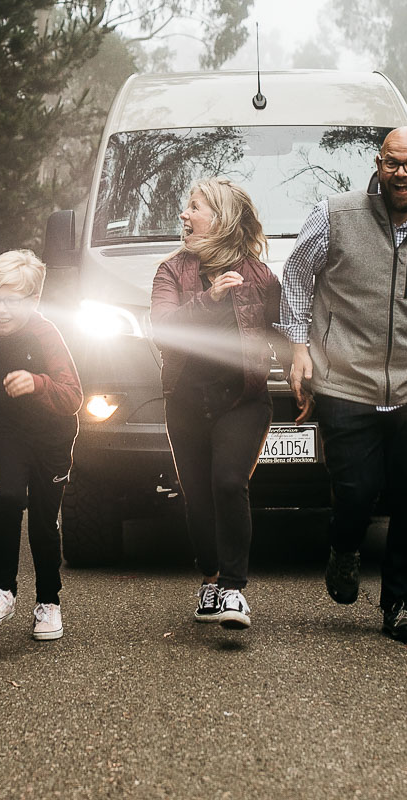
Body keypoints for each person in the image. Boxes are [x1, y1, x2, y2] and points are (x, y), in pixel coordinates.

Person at [279, 127, 407, 642]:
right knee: (357, 489)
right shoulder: (336, 215)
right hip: (346, 380)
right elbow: (297, 274)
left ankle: (399, 603)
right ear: (378, 164)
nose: (402, 173)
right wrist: (300, 345)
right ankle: (344, 547)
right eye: (393, 163)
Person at [150, 177, 283, 631]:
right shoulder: (171, 271)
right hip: (186, 401)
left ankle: (232, 588)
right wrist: (211, 299)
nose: (184, 215)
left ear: (221, 220)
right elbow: (164, 328)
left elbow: (281, 332)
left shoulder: (261, 277)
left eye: (194, 207)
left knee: (228, 483)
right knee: (197, 498)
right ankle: (208, 576)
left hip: (242, 400)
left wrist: (307, 371)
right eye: (187, 207)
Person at [0, 251, 82, 641]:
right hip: (9, 427)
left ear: (34, 302)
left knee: (44, 523)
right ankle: (3, 591)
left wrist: (37, 382)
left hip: (52, 437)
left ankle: (48, 602)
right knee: (9, 498)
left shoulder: (46, 335)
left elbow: (74, 395)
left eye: (12, 302)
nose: (0, 310)